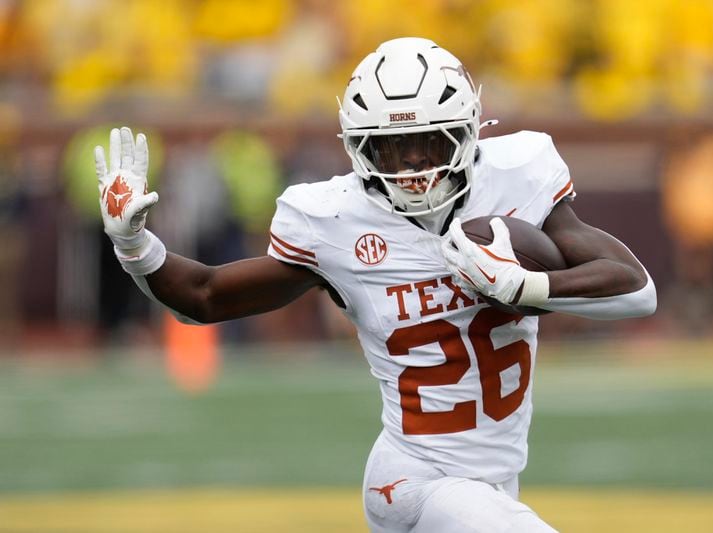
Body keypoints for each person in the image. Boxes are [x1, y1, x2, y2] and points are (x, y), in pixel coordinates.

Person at [96, 38, 656, 533]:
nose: (413, 165)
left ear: (466, 132)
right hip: (415, 481)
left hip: (494, 484)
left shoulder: (516, 177)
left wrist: (525, 285)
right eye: (393, 148)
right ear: (359, 148)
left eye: (430, 143)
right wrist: (134, 246)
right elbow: (206, 296)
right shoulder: (335, 220)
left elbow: (636, 291)